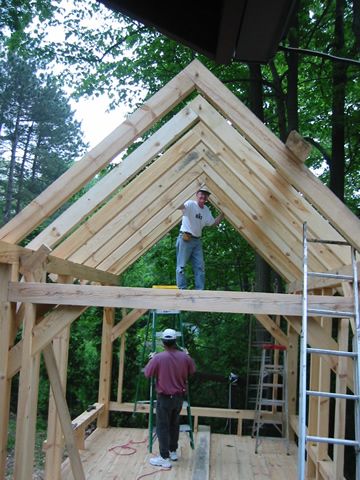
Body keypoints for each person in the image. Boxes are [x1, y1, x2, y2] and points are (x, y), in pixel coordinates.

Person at [144, 328, 196, 468]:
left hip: (165, 398)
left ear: (163, 342)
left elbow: (148, 373)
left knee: (162, 427)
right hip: (178, 398)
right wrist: (188, 355)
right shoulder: (184, 357)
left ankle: (164, 457)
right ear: (175, 341)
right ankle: (173, 451)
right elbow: (192, 370)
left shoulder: (159, 358)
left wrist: (151, 359)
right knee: (174, 424)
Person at [176, 184, 224, 290]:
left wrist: (223, 213)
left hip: (197, 241)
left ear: (207, 198)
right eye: (202, 193)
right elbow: (180, 207)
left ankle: (200, 291)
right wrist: (177, 198)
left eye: (206, 195)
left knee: (200, 267)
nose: (203, 196)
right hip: (185, 238)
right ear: (197, 194)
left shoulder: (206, 210)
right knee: (181, 266)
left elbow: (213, 223)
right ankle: (182, 289)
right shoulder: (190, 204)